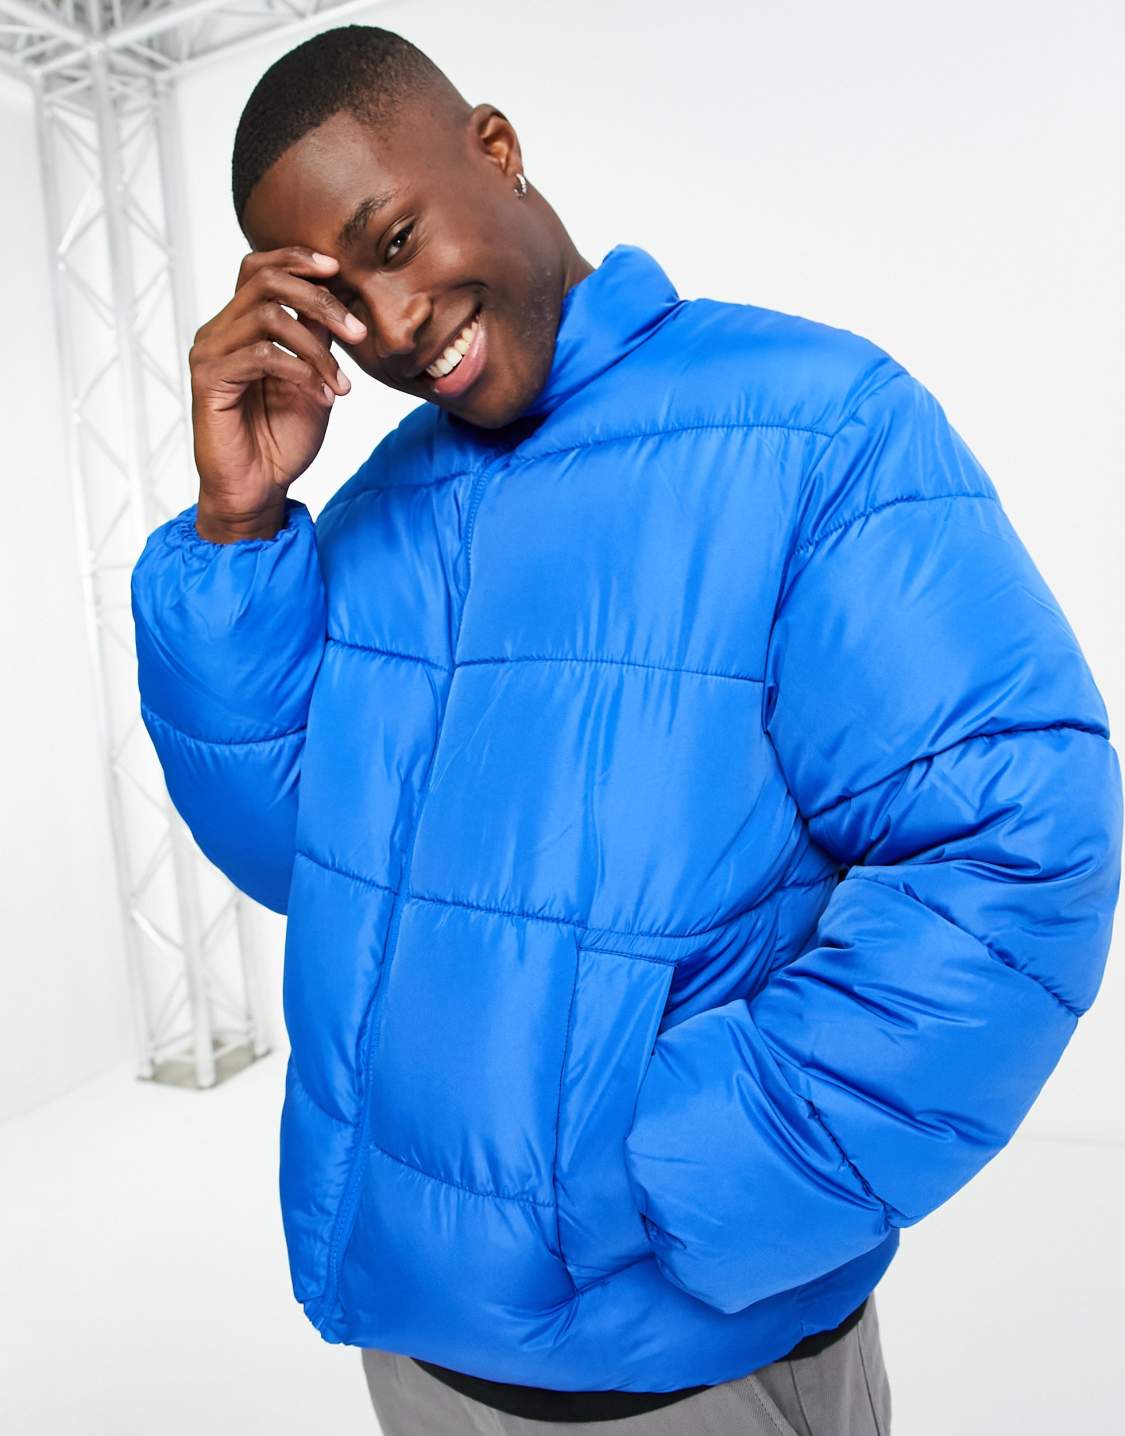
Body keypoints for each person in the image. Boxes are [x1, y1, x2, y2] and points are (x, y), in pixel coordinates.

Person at [129, 22, 1122, 1435]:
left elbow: (1018, 853)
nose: (395, 325)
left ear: (495, 148)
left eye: (396, 241)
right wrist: (238, 531)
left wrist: (693, 1174)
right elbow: (304, 855)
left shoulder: (812, 428)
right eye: (344, 301)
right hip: (416, 1357)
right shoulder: (379, 514)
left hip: (688, 1371)